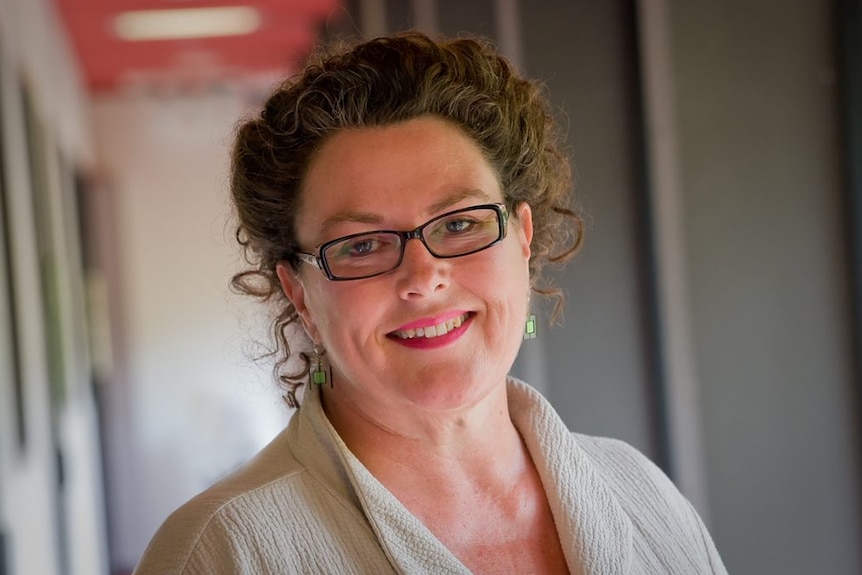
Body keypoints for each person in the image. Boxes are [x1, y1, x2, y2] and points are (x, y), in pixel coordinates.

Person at [133, 31, 727, 574]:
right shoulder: (218, 552)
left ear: (522, 238)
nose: (423, 277)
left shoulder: (641, 493)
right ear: (300, 294)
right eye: (362, 245)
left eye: (461, 223)